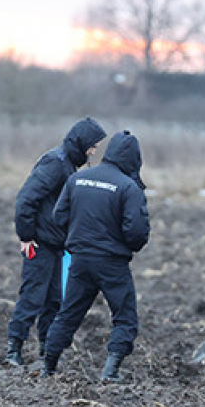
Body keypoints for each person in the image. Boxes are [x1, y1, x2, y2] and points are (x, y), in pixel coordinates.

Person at [39, 131, 150, 382]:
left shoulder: (78, 179)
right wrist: (126, 245)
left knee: (68, 314)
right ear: (134, 158)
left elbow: (59, 216)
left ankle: (48, 366)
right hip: (112, 263)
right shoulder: (128, 187)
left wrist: (78, 238)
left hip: (79, 259)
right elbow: (136, 231)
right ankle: (110, 372)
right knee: (125, 316)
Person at [6, 117, 107, 367]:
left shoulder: (69, 166)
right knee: (32, 297)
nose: (93, 152)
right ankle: (13, 351)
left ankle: (45, 351)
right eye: (92, 146)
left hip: (56, 247)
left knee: (53, 301)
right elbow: (26, 199)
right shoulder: (55, 163)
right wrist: (26, 236)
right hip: (38, 244)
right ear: (82, 143)